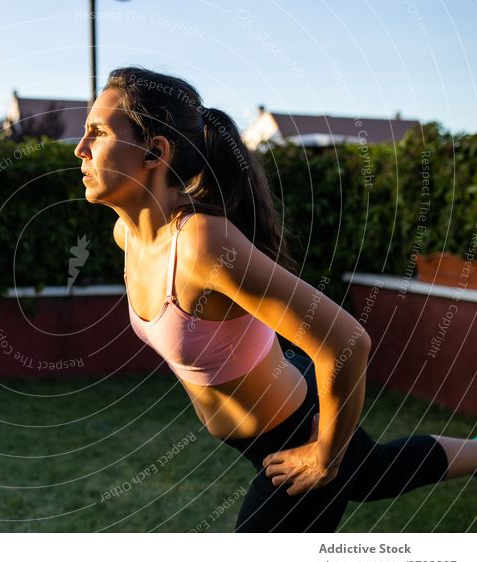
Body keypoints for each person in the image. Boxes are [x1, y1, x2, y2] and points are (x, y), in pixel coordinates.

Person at [74, 66, 477, 532]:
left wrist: (325, 455)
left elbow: (349, 342)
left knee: (352, 473)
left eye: (97, 133)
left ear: (154, 152)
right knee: (375, 473)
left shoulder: (202, 244)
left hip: (288, 435)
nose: (79, 149)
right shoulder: (127, 235)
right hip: (281, 393)